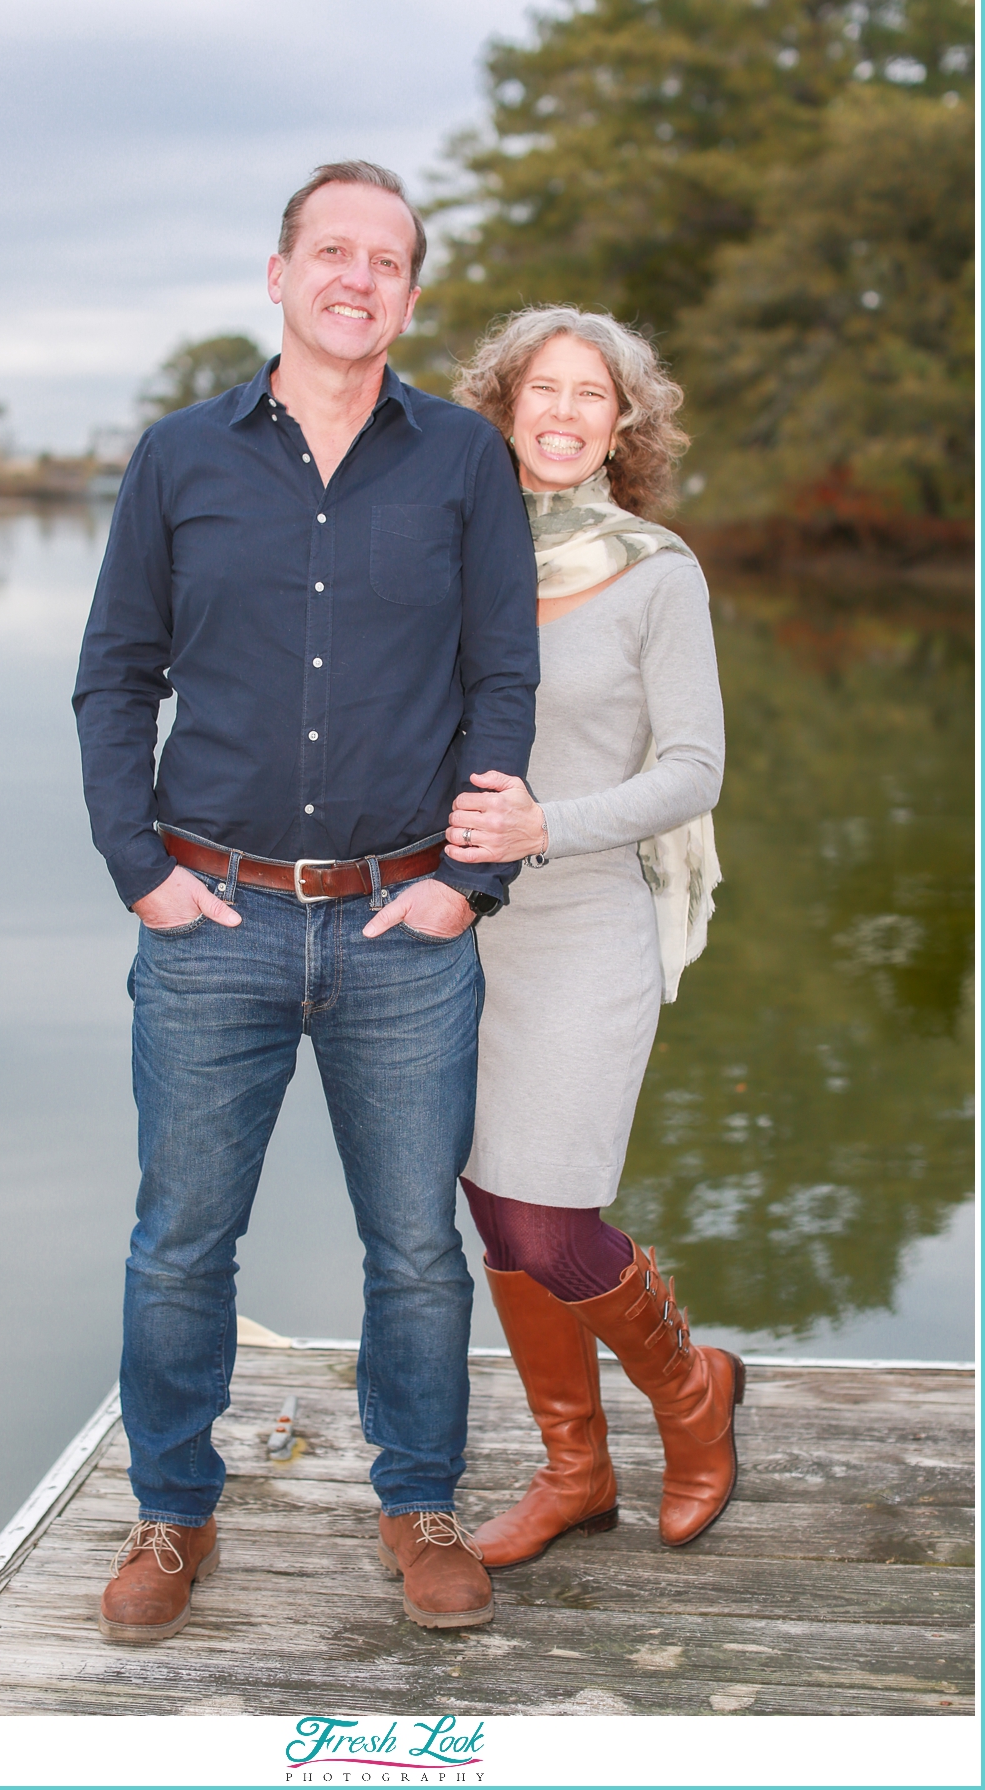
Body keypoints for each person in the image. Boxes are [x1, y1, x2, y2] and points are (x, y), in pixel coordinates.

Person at [73, 162, 539, 1641]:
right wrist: (139, 870)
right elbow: (112, 675)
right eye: (330, 251)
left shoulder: (465, 460)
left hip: (407, 927)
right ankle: (171, 1513)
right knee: (180, 1242)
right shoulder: (177, 458)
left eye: (386, 259)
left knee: (413, 1246)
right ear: (276, 274)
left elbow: (502, 683)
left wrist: (472, 882)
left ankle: (419, 1507)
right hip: (212, 916)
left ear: (410, 292)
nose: (358, 276)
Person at [444, 306, 743, 1570]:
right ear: (506, 406)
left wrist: (543, 826)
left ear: (626, 423)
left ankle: (694, 1393)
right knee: (491, 1209)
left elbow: (695, 770)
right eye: (541, 390)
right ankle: (577, 1469)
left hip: (583, 919)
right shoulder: (454, 551)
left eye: (592, 394)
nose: (563, 413)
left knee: (549, 1220)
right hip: (451, 930)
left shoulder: (655, 570)